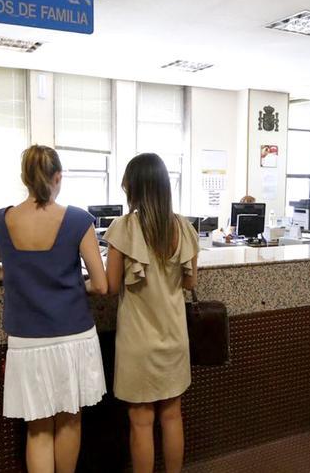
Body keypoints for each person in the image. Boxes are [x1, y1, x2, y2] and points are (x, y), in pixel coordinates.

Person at [0, 145, 108, 473]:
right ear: (58, 177)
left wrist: (21, 273)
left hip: (27, 340)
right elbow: (101, 284)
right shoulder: (78, 220)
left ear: (24, 178)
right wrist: (74, 283)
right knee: (68, 422)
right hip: (73, 334)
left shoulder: (1, 220)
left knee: (37, 429)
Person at [104, 153, 200, 473]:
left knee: (141, 421)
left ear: (135, 188)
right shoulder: (184, 228)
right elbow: (191, 282)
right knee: (172, 415)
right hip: (174, 337)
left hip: (138, 340)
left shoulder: (123, 228)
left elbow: (111, 283)